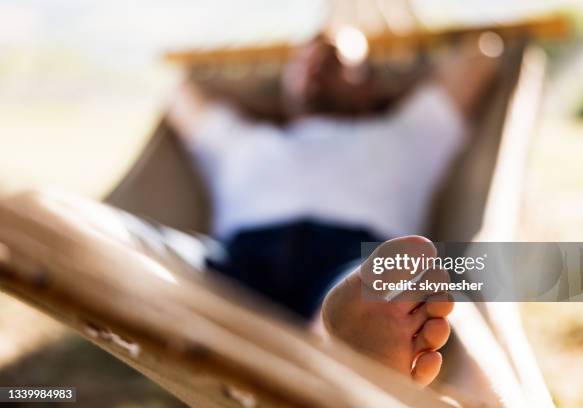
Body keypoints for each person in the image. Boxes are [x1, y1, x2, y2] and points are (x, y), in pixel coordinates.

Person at [166, 35, 499, 388]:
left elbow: (481, 55)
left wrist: (402, 61)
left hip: (350, 257)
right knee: (155, 247)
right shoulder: (238, 139)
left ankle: (345, 337)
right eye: (303, 61)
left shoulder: (406, 133)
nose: (315, 64)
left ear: (369, 88)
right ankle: (340, 347)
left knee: (375, 282)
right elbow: (178, 94)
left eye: (336, 61)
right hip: (230, 264)